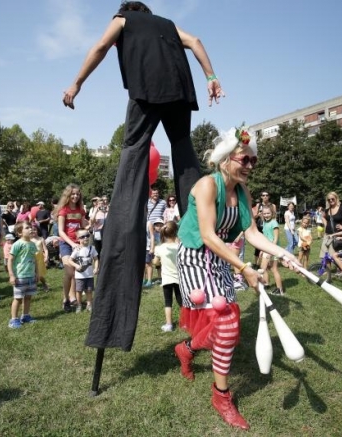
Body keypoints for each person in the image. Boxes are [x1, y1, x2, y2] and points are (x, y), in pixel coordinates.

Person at [65, 1, 225, 354]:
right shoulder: (167, 24)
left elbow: (100, 47)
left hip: (147, 91)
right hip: (181, 93)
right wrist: (212, 78)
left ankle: (122, 238)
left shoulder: (123, 19)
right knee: (184, 155)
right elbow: (196, 40)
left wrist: (76, 84)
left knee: (134, 156)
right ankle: (204, 222)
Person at [173, 127, 299, 430]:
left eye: (254, 161)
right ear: (226, 159)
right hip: (193, 256)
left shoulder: (242, 191)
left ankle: (187, 349)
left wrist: (283, 254)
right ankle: (221, 396)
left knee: (227, 325)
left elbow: (252, 233)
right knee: (227, 323)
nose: (250, 166)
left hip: (218, 256)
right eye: (246, 160)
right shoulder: (207, 185)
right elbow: (206, 235)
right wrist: (244, 269)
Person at [54, 184, 88, 312]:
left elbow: (83, 225)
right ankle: (65, 298)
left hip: (78, 243)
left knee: (75, 272)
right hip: (66, 244)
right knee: (69, 272)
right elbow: (61, 232)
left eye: (78, 194)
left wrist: (90, 224)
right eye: (73, 194)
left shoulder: (80, 210)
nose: (75, 196)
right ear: (68, 195)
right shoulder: (63, 210)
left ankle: (72, 297)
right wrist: (72, 244)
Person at [7, 222, 39, 329]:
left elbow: (35, 260)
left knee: (28, 297)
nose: (31, 229)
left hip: (30, 276)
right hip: (19, 276)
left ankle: (25, 316)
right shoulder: (17, 244)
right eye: (27, 228)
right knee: (18, 299)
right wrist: (12, 275)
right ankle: (14, 319)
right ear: (20, 232)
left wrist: (37, 273)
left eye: (31, 227)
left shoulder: (32, 244)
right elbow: (10, 260)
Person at [154, 221, 181, 332]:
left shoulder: (159, 248)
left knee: (168, 302)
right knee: (182, 302)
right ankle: (186, 322)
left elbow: (156, 263)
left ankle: (169, 324)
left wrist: (156, 261)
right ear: (176, 232)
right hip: (180, 279)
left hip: (167, 279)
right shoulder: (180, 247)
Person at [68, 229, 99, 313]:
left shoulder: (92, 248)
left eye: (87, 236)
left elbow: (96, 259)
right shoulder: (77, 250)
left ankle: (89, 304)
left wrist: (96, 268)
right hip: (80, 275)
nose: (85, 238)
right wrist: (76, 265)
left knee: (89, 290)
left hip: (89, 275)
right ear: (78, 239)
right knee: (79, 290)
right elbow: (70, 260)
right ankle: (79, 305)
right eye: (82, 237)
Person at [259, 205, 284, 296]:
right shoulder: (265, 222)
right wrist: (262, 249)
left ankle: (279, 289)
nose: (266, 215)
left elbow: (275, 239)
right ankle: (266, 284)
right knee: (264, 268)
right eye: (264, 213)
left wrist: (270, 251)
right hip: (267, 248)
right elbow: (265, 238)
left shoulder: (274, 223)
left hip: (273, 249)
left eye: (268, 213)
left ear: (272, 213)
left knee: (273, 269)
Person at [320, 192, 342, 260]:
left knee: (339, 255)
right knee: (325, 255)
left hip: (338, 236)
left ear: (336, 198)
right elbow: (323, 217)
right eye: (329, 199)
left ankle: (341, 270)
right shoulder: (327, 210)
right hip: (328, 235)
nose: (331, 201)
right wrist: (326, 225)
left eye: (332, 199)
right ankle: (328, 270)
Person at [144, 218, 164, 288]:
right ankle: (149, 279)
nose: (159, 227)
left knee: (159, 266)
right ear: (154, 226)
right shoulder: (153, 232)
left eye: (160, 225)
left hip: (160, 252)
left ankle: (160, 278)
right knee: (151, 264)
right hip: (155, 251)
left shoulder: (163, 234)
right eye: (157, 225)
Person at [31, 226, 50, 292]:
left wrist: (46, 256)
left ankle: (44, 284)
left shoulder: (41, 239)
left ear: (37, 230)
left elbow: (45, 249)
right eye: (32, 230)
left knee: (39, 274)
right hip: (31, 259)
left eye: (34, 230)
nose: (33, 231)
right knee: (32, 273)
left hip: (39, 259)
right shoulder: (29, 240)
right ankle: (33, 287)